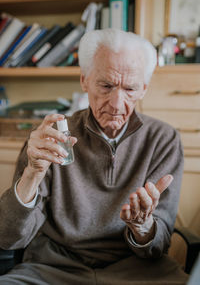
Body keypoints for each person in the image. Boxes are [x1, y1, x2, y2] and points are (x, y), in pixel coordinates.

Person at [0, 29, 188, 284]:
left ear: (143, 89)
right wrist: (31, 175)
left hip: (135, 270)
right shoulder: (51, 136)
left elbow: (159, 246)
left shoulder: (163, 140)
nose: (116, 103)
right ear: (84, 80)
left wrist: (143, 228)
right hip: (53, 267)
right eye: (106, 85)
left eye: (130, 88)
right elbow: (9, 237)